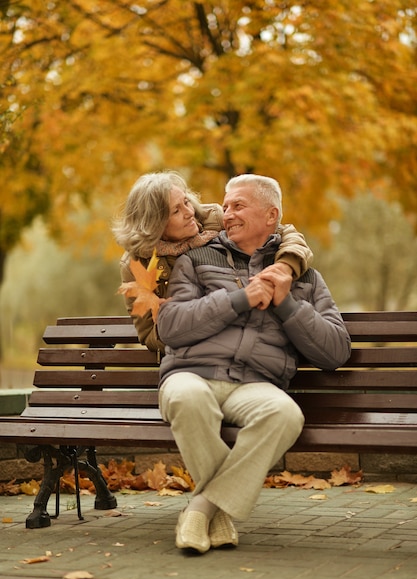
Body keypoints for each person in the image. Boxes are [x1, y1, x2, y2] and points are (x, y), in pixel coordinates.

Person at [157, 173, 351, 554]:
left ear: (271, 215)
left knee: (285, 415)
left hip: (256, 384)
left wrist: (287, 305)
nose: (226, 214)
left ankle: (202, 507)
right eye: (225, 206)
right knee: (186, 398)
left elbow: (335, 351)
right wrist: (240, 299)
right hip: (192, 374)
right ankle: (219, 513)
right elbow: (170, 326)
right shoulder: (197, 259)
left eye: (238, 205)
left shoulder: (305, 277)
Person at [112, 171, 313, 354]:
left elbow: (285, 232)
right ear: (155, 224)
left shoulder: (215, 220)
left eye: (186, 202)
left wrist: (286, 266)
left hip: (250, 333)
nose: (189, 212)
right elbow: (149, 336)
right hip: (194, 356)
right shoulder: (137, 264)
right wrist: (181, 320)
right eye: (175, 211)